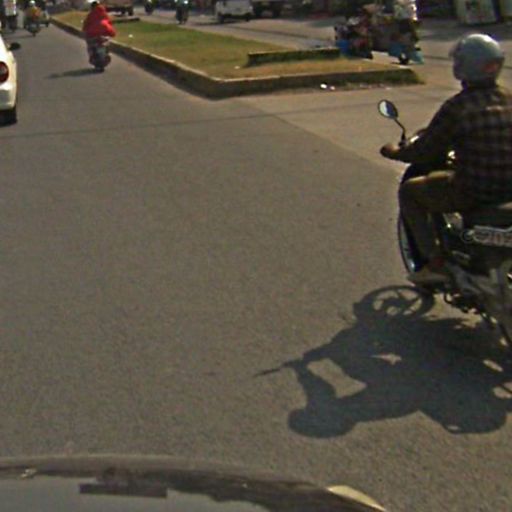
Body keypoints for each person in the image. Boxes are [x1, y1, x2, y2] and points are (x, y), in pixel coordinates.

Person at [381, 33, 512, 285]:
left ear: (463, 66)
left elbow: (425, 150)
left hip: (475, 190)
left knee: (410, 192)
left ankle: (436, 264)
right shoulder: (509, 99)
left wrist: (394, 151)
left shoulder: (458, 107)